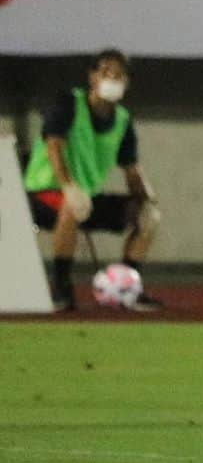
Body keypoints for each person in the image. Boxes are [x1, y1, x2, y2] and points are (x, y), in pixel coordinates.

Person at [23, 49, 162, 312]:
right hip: (43, 194)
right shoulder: (69, 104)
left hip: (86, 198)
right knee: (72, 206)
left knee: (147, 216)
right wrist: (68, 186)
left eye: (119, 74)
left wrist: (146, 198)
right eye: (106, 72)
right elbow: (54, 144)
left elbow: (131, 169)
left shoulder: (122, 121)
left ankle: (127, 287)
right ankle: (62, 288)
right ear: (92, 77)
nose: (112, 78)